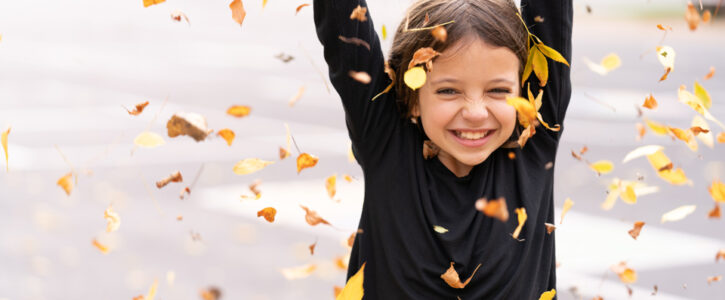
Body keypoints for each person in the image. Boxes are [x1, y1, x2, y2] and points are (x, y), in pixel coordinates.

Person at [314, 0, 572, 298]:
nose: (475, 112)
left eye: (498, 90)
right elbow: (341, 20)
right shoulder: (385, 142)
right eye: (448, 90)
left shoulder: (535, 133)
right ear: (412, 96)